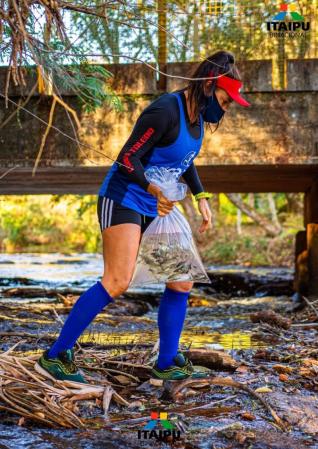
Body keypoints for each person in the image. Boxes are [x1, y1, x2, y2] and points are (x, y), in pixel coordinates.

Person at [35, 50, 250, 383]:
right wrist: (153, 190)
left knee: (181, 282)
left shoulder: (197, 121)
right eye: (226, 100)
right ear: (209, 86)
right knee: (117, 280)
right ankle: (55, 356)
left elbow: (184, 159)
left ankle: (165, 364)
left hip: (156, 206)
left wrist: (201, 196)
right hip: (124, 198)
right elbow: (127, 158)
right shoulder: (165, 111)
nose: (227, 107)